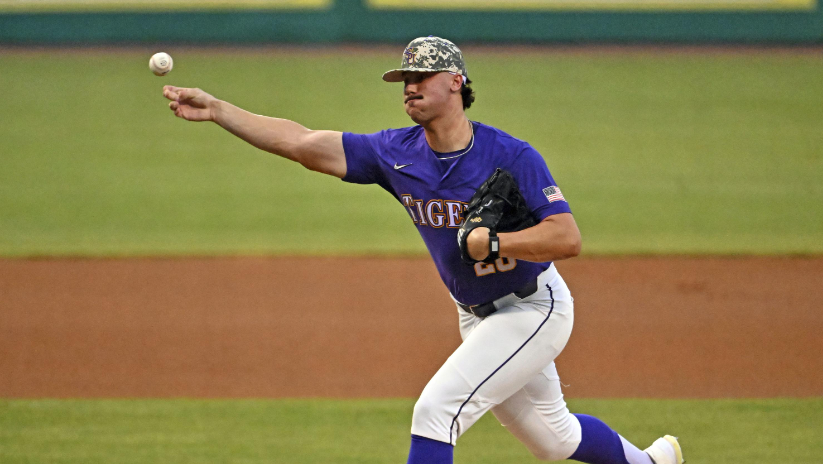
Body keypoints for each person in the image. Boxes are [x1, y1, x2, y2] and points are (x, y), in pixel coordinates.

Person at [162, 36, 684, 464]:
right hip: (475, 314)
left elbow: (566, 237)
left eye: (421, 78)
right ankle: (653, 463)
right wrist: (219, 110)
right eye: (403, 80)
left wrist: (498, 241)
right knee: (557, 440)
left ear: (455, 82)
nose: (409, 87)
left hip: (533, 308)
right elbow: (301, 142)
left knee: (436, 410)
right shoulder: (395, 152)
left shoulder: (511, 155)